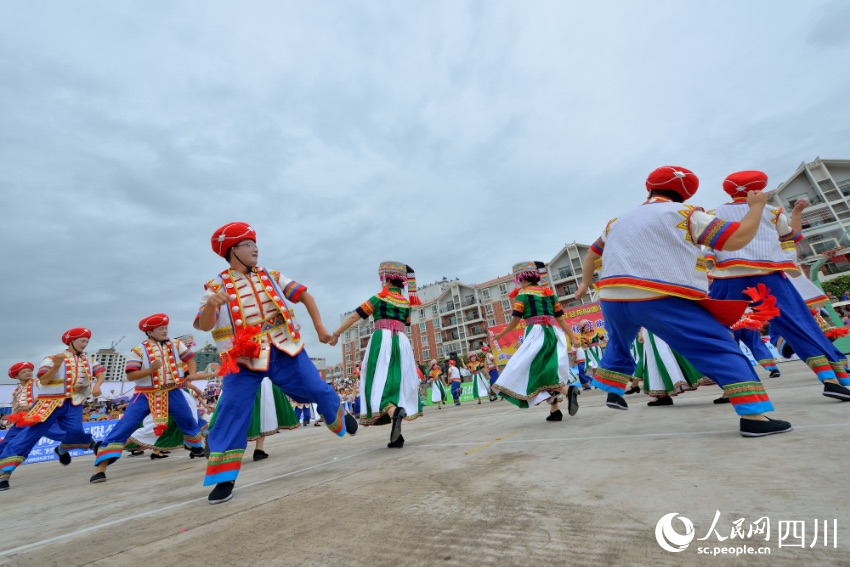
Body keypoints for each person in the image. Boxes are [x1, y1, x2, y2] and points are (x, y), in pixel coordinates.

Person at [575, 165, 791, 437]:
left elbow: (592, 255)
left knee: (619, 342)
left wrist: (584, 284)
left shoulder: (617, 221)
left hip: (611, 297)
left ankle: (613, 387)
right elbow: (736, 239)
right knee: (718, 346)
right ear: (686, 194)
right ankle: (754, 416)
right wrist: (756, 207)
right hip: (658, 295)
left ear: (649, 188)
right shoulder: (686, 214)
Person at [195, 222, 356, 504]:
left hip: (284, 348)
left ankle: (336, 413)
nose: (255, 248)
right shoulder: (215, 286)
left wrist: (319, 327)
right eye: (248, 244)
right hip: (242, 358)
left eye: (255, 243)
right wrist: (211, 305)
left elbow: (304, 295)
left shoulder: (272, 275)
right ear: (232, 251)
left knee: (316, 388)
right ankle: (223, 478)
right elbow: (204, 325)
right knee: (232, 411)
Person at [706, 170, 850, 401]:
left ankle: (733, 387)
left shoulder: (714, 214)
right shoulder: (772, 212)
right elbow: (792, 236)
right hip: (768, 275)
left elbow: (706, 246)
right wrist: (797, 212)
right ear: (758, 189)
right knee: (800, 325)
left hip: (728, 276)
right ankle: (832, 380)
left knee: (717, 331)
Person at [90, 314, 205, 483]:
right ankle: (100, 468)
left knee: (187, 418)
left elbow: (191, 360)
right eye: (160, 329)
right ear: (150, 332)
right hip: (144, 394)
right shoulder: (138, 350)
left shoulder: (176, 344)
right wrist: (150, 370)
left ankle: (195, 446)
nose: (165, 331)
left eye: (166, 328)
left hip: (172, 391)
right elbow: (131, 376)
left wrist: (192, 374)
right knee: (125, 425)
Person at [331, 261, 423, 448]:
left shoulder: (379, 298)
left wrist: (337, 333)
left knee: (377, 382)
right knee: (395, 383)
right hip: (402, 341)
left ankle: (394, 412)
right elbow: (407, 322)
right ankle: (396, 436)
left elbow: (355, 316)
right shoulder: (405, 303)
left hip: (382, 339)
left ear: (388, 280)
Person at [0, 328, 105, 490]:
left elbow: (100, 373)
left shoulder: (89, 360)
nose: (85, 344)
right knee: (28, 437)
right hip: (48, 404)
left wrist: (97, 385)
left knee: (76, 432)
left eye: (87, 341)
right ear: (71, 341)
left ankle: (62, 449)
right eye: (82, 341)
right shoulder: (52, 359)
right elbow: (44, 380)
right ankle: (5, 474)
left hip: (73, 403)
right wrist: (56, 365)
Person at [491, 261, 581, 422]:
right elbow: (560, 319)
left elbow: (515, 321)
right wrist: (573, 338)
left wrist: (501, 334)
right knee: (549, 369)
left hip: (535, 333)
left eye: (519, 280)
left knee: (535, 370)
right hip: (552, 333)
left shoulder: (523, 294)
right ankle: (555, 411)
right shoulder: (550, 294)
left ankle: (568, 391)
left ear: (523, 279)